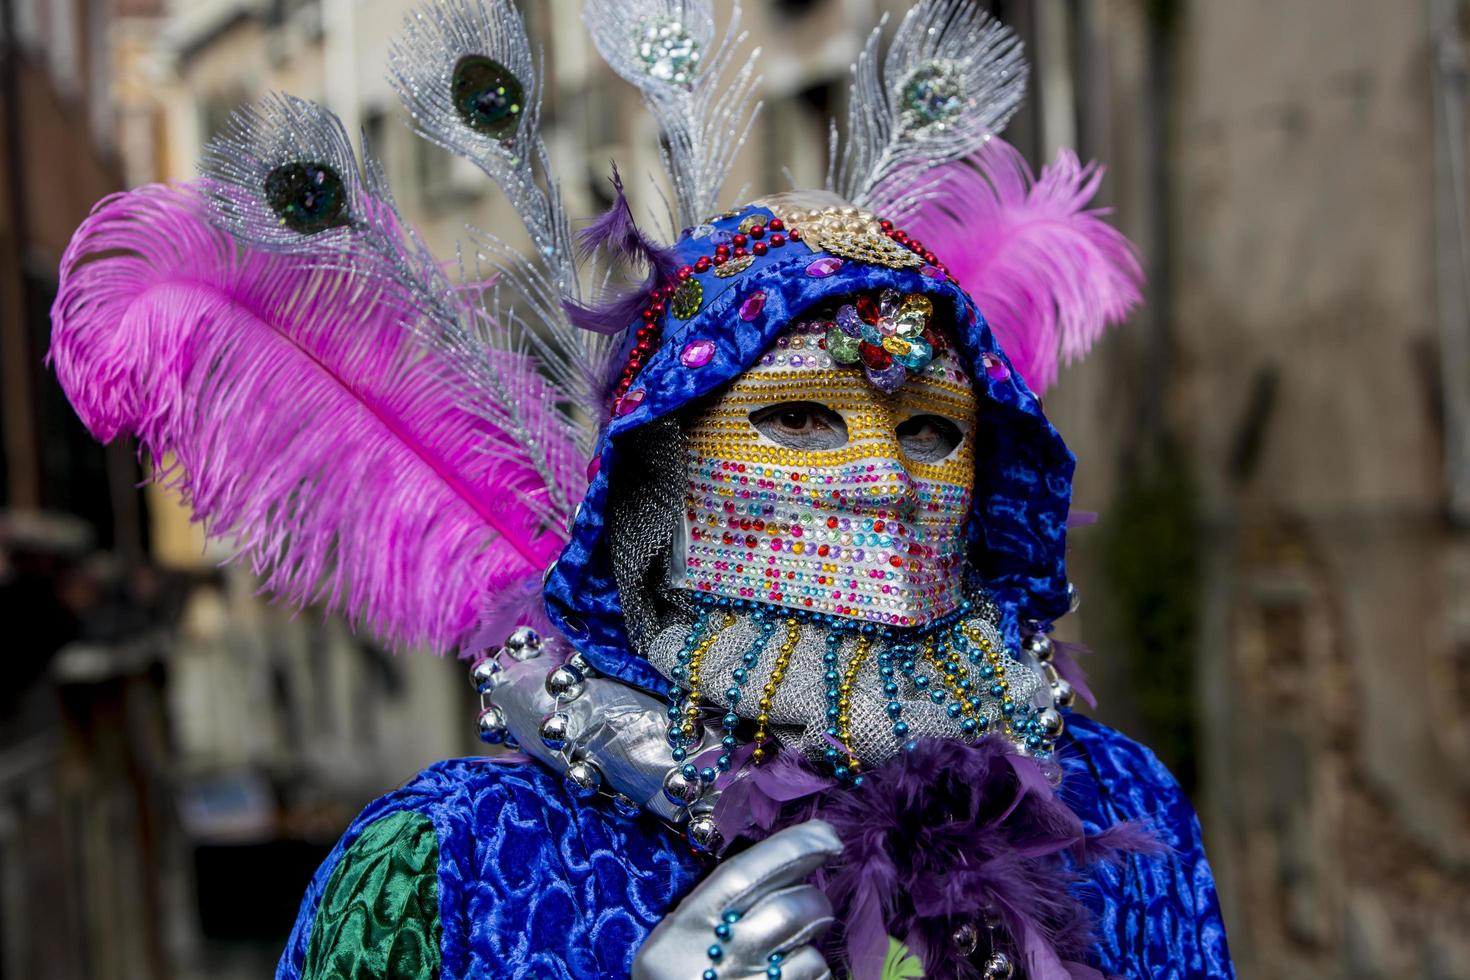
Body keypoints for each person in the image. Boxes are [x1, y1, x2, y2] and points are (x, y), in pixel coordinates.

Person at [48, 1, 1234, 976]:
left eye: (930, 429)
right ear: (659, 490)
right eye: (804, 419)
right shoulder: (447, 871)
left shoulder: (1122, 820)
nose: (884, 484)